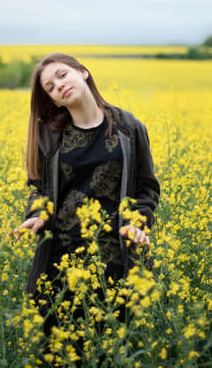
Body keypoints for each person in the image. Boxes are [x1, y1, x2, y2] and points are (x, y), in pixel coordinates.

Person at [12, 52, 160, 363]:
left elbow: (146, 188)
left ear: (83, 73)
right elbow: (39, 189)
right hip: (60, 264)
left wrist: (138, 222)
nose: (58, 86)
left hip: (115, 261)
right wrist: (36, 216)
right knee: (60, 353)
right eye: (50, 87)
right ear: (52, 100)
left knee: (110, 351)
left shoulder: (128, 128)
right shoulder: (49, 135)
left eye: (62, 75)